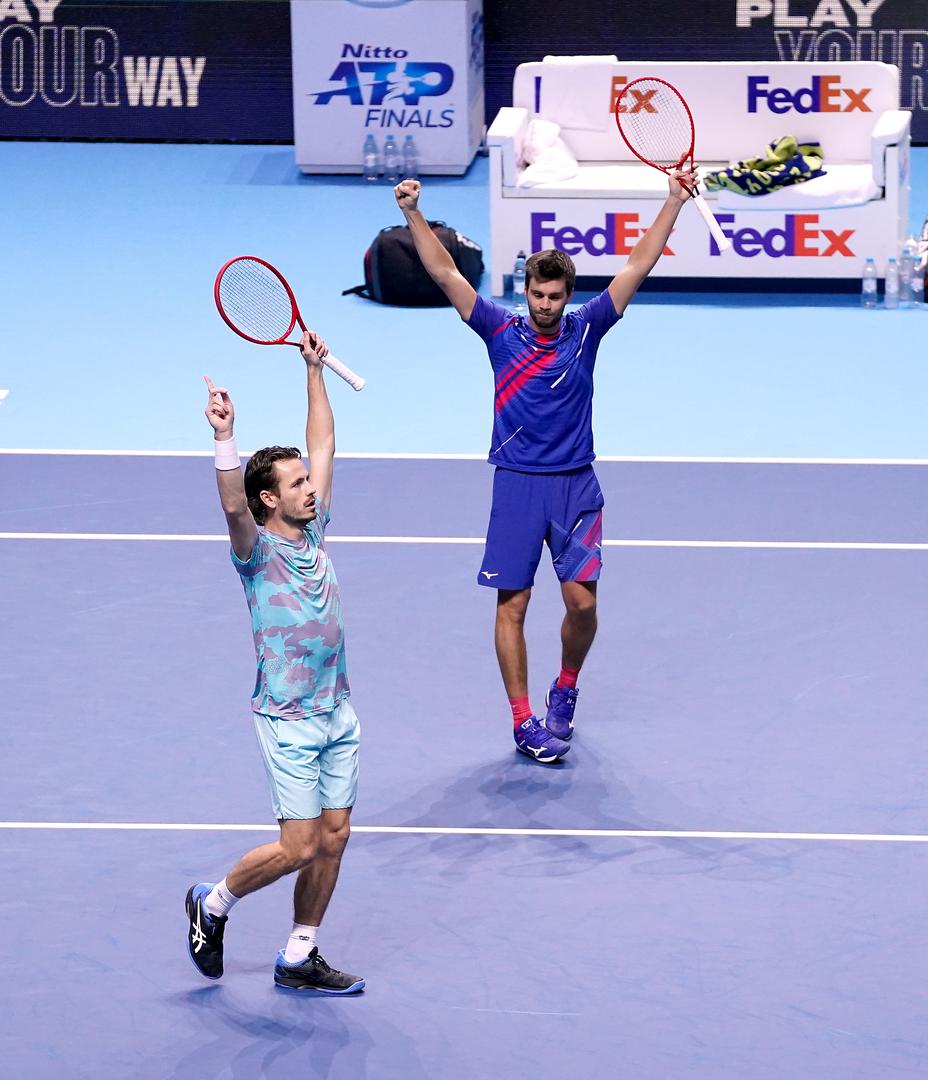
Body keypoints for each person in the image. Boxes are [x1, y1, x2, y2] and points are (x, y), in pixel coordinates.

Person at [394, 171, 695, 763]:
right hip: (517, 486)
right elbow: (446, 273)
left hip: (576, 484)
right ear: (526, 289)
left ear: (567, 295)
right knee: (513, 606)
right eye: (537, 294)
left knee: (583, 605)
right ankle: (521, 720)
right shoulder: (499, 330)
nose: (545, 305)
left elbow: (638, 264)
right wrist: (412, 214)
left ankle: (566, 687)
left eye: (555, 297)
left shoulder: (587, 329)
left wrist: (673, 202)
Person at [186, 330, 364, 994]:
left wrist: (313, 372)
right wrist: (224, 436)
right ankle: (213, 903)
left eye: (307, 481)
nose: (310, 487)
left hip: (336, 711)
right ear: (270, 499)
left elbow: (323, 443)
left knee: (335, 837)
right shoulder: (255, 552)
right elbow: (232, 502)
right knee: (298, 846)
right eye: (296, 484)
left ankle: (299, 952)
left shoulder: (315, 528)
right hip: (288, 719)